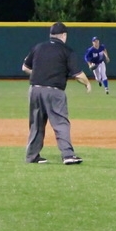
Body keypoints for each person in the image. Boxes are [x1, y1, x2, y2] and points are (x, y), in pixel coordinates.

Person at [21, 22, 92, 165]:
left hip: (34, 89)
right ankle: (68, 155)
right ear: (64, 35)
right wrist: (88, 83)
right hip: (54, 91)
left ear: (51, 35)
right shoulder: (67, 51)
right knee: (61, 123)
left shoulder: (38, 47)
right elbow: (77, 74)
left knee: (36, 124)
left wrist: (41, 74)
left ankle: (32, 156)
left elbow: (25, 68)